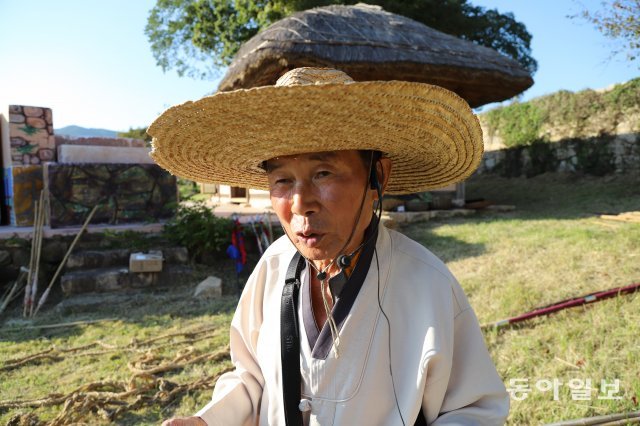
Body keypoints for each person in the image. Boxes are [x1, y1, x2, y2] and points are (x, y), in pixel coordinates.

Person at [151, 67, 509, 426]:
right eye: (282, 180)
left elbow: (473, 411)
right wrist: (207, 420)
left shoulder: (426, 284)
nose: (300, 202)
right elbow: (253, 378)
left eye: (323, 173)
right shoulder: (274, 265)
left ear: (377, 177)